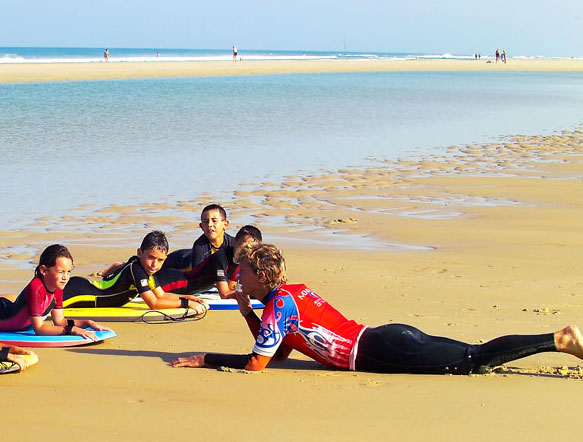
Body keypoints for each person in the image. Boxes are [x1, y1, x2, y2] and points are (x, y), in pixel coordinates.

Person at [171, 243, 583, 374]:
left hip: (382, 349)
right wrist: (246, 311)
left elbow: (257, 364)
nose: (237, 278)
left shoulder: (279, 305)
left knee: (474, 359)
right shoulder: (288, 295)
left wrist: (206, 358)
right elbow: (280, 350)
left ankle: (560, 339)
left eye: (242, 273)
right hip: (385, 338)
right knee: (473, 355)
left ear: (261, 276)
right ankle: (563, 342)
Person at [62, 231, 207, 313]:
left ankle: (117, 267)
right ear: (140, 253)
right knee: (43, 309)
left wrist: (190, 298)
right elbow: (154, 304)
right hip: (78, 292)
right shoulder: (136, 270)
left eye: (160, 260)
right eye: (151, 257)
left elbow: (162, 295)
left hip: (83, 287)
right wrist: (185, 304)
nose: (155, 264)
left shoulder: (147, 270)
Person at [0, 244, 111, 340]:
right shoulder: (36, 288)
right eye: (61, 272)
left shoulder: (57, 287)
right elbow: (39, 329)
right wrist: (71, 330)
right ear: (43, 270)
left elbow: (60, 321)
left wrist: (88, 323)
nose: (66, 277)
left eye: (68, 272)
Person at [183, 225, 262, 298]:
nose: (246, 251)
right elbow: (224, 294)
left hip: (193, 289)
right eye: (243, 246)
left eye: (251, 249)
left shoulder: (237, 260)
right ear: (234, 241)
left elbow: (230, 288)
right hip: (176, 285)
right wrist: (253, 293)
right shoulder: (221, 256)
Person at [163, 204, 234, 273]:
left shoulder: (234, 243)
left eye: (214, 221)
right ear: (201, 226)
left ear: (225, 224)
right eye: (206, 222)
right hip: (176, 262)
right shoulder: (199, 247)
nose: (209, 224)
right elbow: (198, 276)